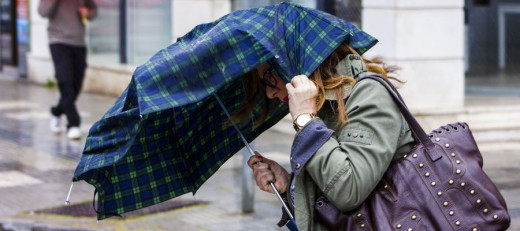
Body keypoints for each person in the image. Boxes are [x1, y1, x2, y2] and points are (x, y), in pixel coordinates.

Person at [239, 43, 416, 230]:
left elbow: (349, 190)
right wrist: (288, 186)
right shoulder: (322, 108)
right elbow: (330, 204)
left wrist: (306, 121)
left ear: (295, 61)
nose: (269, 92)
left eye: (269, 76)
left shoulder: (369, 94)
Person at [38, 0, 97, 140]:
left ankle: (56, 111)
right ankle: (73, 124)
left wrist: (88, 13)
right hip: (58, 41)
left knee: (76, 86)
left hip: (79, 43)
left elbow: (93, 10)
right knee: (65, 81)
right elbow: (43, 12)